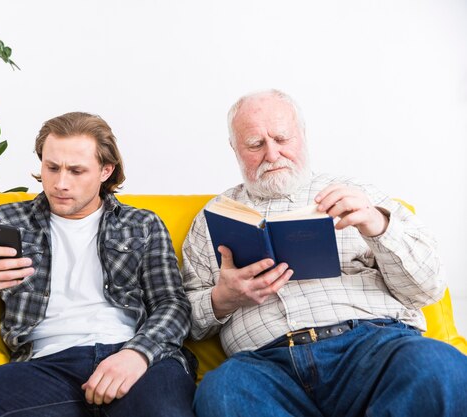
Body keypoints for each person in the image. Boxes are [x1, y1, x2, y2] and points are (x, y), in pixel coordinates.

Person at [182, 89, 467, 417]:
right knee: (222, 392)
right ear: (235, 149)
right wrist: (223, 298)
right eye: (255, 145)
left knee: (442, 367)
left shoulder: (358, 194)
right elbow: (185, 318)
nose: (272, 155)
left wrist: (377, 225)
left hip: (371, 347)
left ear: (302, 136)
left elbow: (428, 287)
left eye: (281, 138)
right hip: (267, 367)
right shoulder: (212, 219)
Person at [0, 112, 196, 417]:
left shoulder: (142, 224)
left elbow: (173, 305)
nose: (60, 183)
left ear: (105, 170)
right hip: (48, 368)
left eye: (76, 171)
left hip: (134, 358)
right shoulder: (6, 221)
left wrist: (138, 353)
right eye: (52, 167)